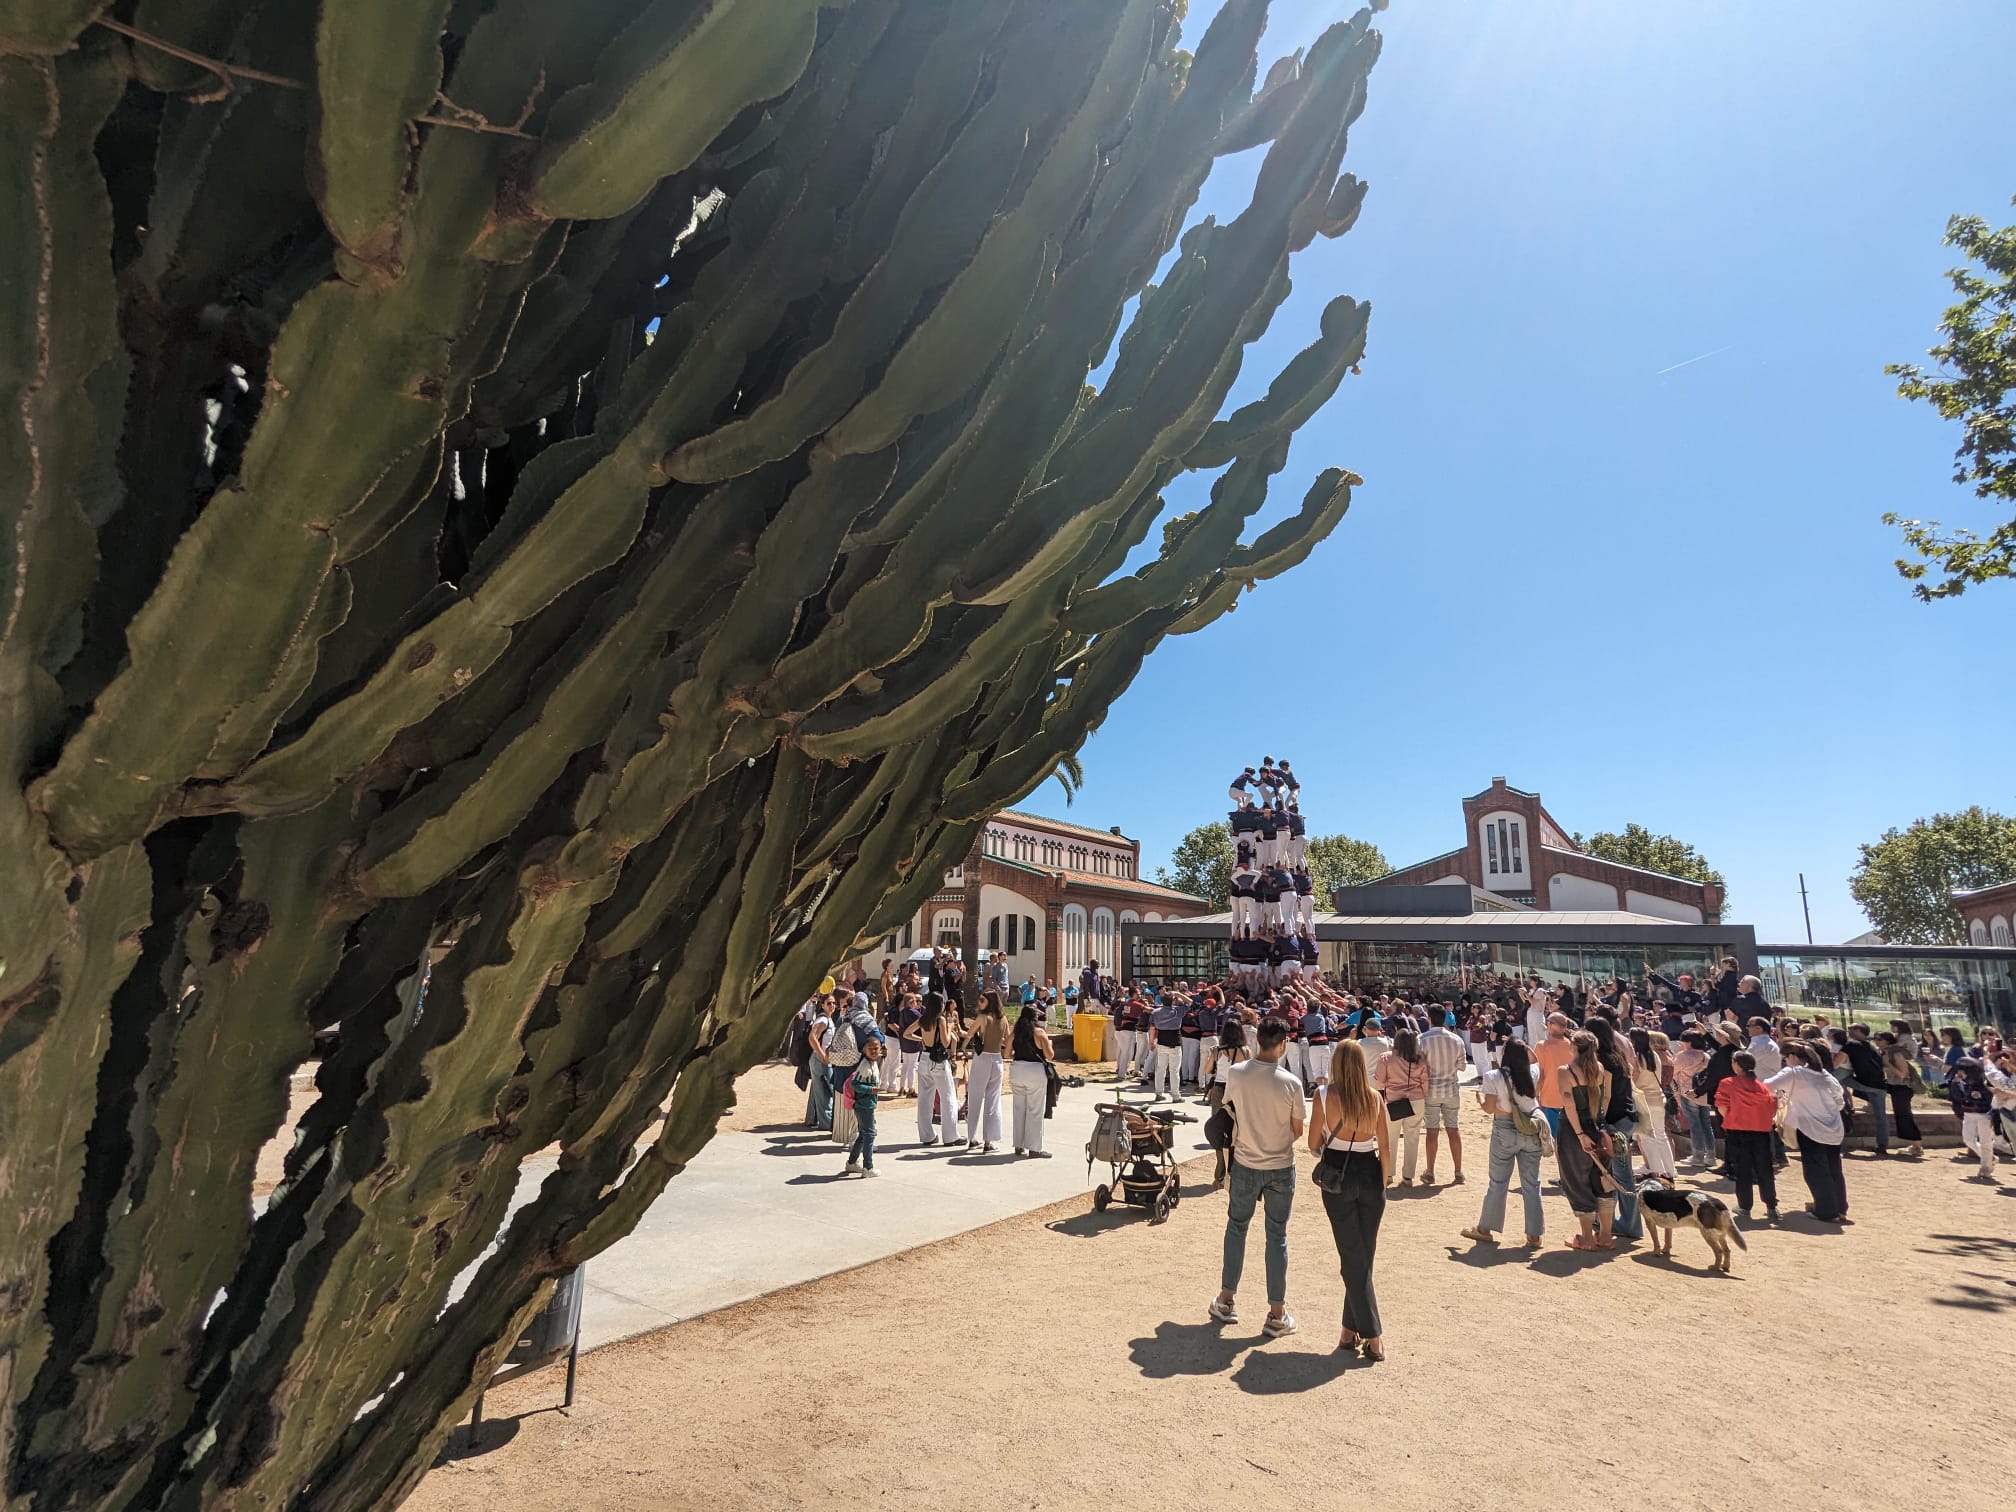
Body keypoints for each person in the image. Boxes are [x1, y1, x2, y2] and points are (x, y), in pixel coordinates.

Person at [1209, 1016, 1305, 1339]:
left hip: (1246, 1162)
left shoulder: (1237, 1074)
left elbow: (1229, 1109)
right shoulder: (1292, 1083)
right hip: (1279, 1163)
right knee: (1276, 1236)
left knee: (1236, 1228)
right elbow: (1296, 1131)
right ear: (1282, 1044)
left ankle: (1226, 1300)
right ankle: (1276, 1312)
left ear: (1257, 1041)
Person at [1308, 1041, 1392, 1360]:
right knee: (1362, 1255)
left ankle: (1371, 1334)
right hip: (1371, 1173)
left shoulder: (1323, 1096)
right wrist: (1382, 1185)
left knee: (1352, 1255)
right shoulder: (1374, 1098)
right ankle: (1348, 1329)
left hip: (1338, 1175)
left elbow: (1313, 1141)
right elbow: (1385, 1149)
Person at [1461, 1038, 1546, 1248]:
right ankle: (1534, 1235)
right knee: (1532, 1184)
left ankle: (1485, 1228)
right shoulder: (1532, 1073)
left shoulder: (1493, 1076)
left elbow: (1490, 1108)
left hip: (1505, 1129)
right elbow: (1537, 1062)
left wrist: (1480, 1101)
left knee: (1498, 1182)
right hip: (1531, 1127)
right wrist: (1522, 1046)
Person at [1764, 1043, 1851, 1223]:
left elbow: (1767, 1086)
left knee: (1815, 1170)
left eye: (1785, 1058)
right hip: (1833, 1127)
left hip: (1810, 1128)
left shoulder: (1794, 1072)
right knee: (1834, 1169)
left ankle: (1826, 1210)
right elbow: (1840, 1101)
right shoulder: (1825, 1075)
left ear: (1793, 1057)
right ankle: (1839, 1208)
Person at [1556, 1030, 1618, 1251]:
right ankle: (1606, 1235)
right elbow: (1607, 1097)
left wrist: (1581, 1135)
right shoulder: (1599, 1069)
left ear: (1574, 1047)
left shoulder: (1566, 1072)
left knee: (1576, 1180)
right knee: (1603, 1180)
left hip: (1575, 1132)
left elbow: (1569, 1106)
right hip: (1598, 1127)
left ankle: (1586, 1238)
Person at [1714, 1050, 1780, 1221]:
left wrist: (1731, 1118)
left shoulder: (1727, 1083)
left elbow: (1722, 1107)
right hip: (1761, 1132)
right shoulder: (1762, 1086)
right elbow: (1772, 1108)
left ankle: (1745, 1206)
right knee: (1765, 1169)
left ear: (1737, 1065)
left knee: (1743, 1170)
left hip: (1738, 1131)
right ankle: (1772, 1206)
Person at [1371, 1028, 1428, 1186]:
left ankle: (1388, 1174)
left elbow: (1379, 1082)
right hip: (1416, 1100)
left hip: (1393, 1101)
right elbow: (1425, 1082)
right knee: (1412, 1138)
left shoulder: (1386, 1057)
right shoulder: (1420, 1058)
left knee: (1390, 1139)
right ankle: (1408, 1176)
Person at [1418, 1006, 1467, 1185]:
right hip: (1451, 1089)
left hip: (1430, 1090)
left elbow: (1417, 1066)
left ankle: (1430, 1171)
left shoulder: (1421, 1039)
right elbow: (1462, 1066)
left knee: (1432, 1132)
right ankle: (1458, 1171)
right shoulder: (1456, 1040)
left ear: (1429, 1018)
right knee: (1453, 1130)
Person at [1629, 1027, 1679, 1178]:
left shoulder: (1637, 1058)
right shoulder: (1655, 1056)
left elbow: (1634, 1080)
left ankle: (1655, 1170)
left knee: (1647, 1138)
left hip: (1644, 1101)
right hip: (1658, 1099)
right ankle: (1669, 1170)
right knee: (1661, 1136)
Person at [1206, 1018, 1250, 1190]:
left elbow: (1207, 1070)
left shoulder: (1217, 1051)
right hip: (1239, 1090)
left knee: (1219, 1129)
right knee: (1238, 1130)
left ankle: (1219, 1174)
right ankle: (1237, 1170)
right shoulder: (1245, 1051)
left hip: (1220, 1090)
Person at [914, 994, 962, 1148]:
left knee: (924, 1098)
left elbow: (907, 1032)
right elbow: (946, 1041)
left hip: (924, 1058)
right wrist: (950, 1027)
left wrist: (920, 1039)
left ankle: (927, 1135)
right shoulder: (940, 1020)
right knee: (948, 1097)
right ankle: (950, 1136)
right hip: (938, 1060)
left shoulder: (924, 1019)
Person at [1009, 1002, 1054, 1157]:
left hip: (1017, 1069)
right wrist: (1050, 1044)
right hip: (1034, 1071)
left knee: (1018, 1108)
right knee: (1035, 1110)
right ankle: (1034, 1148)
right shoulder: (1039, 1033)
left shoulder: (1015, 1032)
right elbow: (1049, 1055)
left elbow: (1007, 1053)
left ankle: (1018, 1145)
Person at [1840, 1024, 1893, 1156]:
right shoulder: (1871, 1047)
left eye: (1851, 1029)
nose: (1848, 1031)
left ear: (1858, 1031)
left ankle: (1844, 1107)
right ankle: (1882, 1144)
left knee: (1836, 1078)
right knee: (1881, 1116)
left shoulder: (1851, 1045)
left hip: (1864, 1083)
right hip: (1879, 1085)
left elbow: (1840, 1060)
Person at [965, 994, 1005, 1152]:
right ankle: (989, 1141)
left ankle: (972, 1137)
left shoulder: (982, 1017)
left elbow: (969, 1034)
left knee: (975, 1097)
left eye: (982, 1000)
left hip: (983, 1059)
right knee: (993, 1101)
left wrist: (963, 1048)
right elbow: (1006, 1039)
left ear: (989, 1002)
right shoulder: (1003, 1019)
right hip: (997, 1059)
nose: (979, 1002)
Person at [1948, 1058, 1999, 1182]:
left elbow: (1993, 1102)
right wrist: (1955, 1083)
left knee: (1985, 1141)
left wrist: (1994, 1117)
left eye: (1963, 1072)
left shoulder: (1984, 1086)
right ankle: (1989, 1158)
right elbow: (1957, 1097)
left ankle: (1985, 1168)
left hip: (1984, 1115)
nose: (1960, 1074)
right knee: (1968, 1139)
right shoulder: (1962, 1084)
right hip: (1969, 1114)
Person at [1877, 1031, 1925, 1158]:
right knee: (1900, 1115)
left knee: (1904, 1115)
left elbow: (1903, 1074)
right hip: (1894, 1086)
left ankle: (1917, 1146)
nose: (1876, 1041)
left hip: (1903, 1087)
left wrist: (1888, 1065)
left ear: (1887, 1041)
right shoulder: (1883, 1053)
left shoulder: (1896, 1054)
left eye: (1879, 1039)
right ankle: (1915, 1145)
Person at [844, 1035, 886, 1177]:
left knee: (863, 1134)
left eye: (876, 1048)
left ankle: (851, 1163)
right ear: (864, 1050)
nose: (874, 1051)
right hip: (864, 1106)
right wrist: (870, 1090)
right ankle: (868, 1167)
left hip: (868, 1104)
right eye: (871, 1049)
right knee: (869, 1134)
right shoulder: (864, 1066)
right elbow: (855, 1084)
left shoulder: (872, 1064)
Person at [1535, 1013, 1575, 1140]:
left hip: (1550, 1098)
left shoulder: (1542, 1046)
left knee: (1557, 1141)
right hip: (1572, 1098)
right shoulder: (1573, 1045)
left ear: (1551, 1025)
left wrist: (1536, 1096)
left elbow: (1539, 1076)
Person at [803, 996, 835, 1131]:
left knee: (817, 1088)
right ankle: (827, 1123)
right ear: (822, 1005)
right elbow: (812, 1037)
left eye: (834, 1003)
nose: (832, 1005)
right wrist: (822, 1055)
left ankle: (811, 1118)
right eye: (829, 1003)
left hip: (820, 1058)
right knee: (825, 1091)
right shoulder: (822, 1020)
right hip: (820, 1059)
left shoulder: (828, 1019)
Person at [1149, 991, 1185, 1101]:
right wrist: (1179, 994)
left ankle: (1159, 1093)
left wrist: (1151, 1042)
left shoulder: (1155, 1012)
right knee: (1174, 1070)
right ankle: (1175, 1095)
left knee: (1160, 1069)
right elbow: (1191, 1002)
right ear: (1173, 1001)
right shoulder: (1178, 1011)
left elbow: (1152, 1028)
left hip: (1162, 1041)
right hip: (1175, 1041)